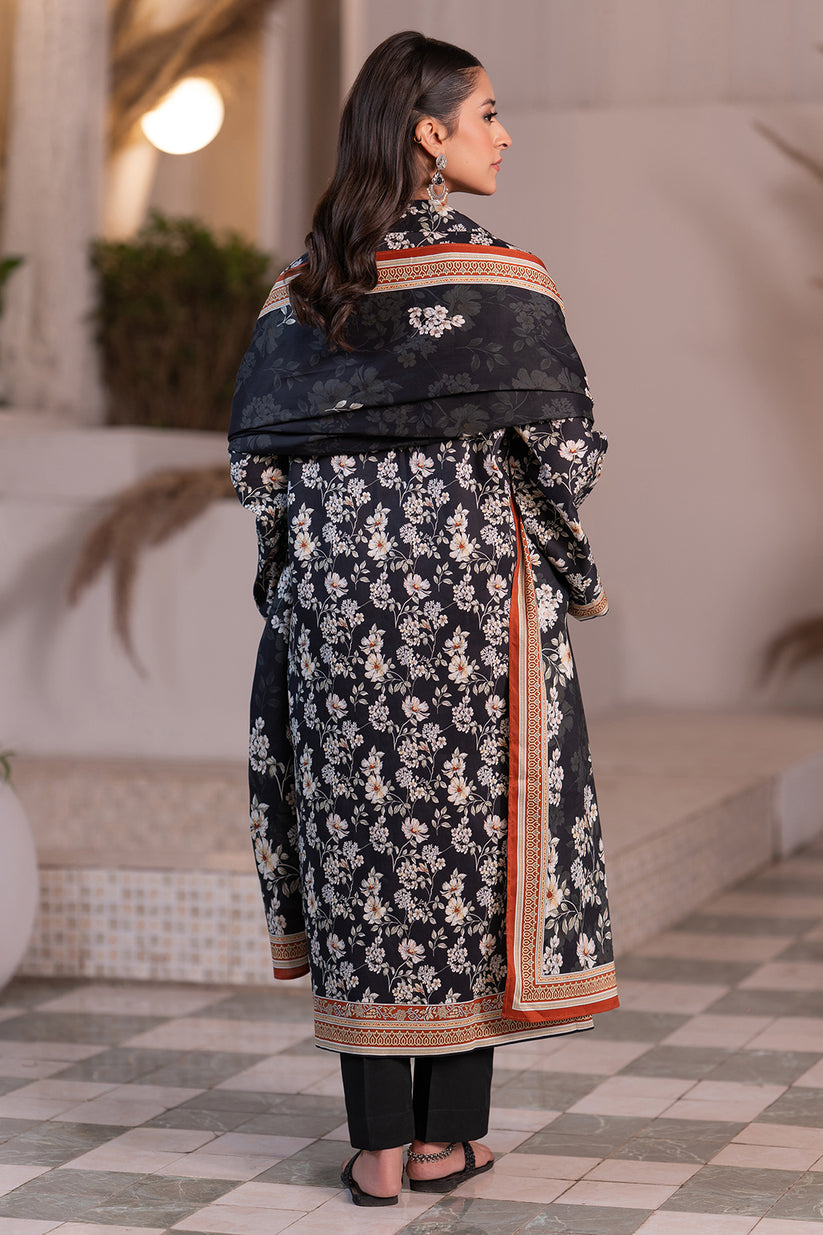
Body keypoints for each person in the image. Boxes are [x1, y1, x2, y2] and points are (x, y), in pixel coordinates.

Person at [228, 30, 618, 1207]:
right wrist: (560, 562)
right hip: (467, 618)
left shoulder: (302, 293)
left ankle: (378, 1145)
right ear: (427, 136)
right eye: (486, 112)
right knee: (466, 849)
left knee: (363, 848)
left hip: (344, 616)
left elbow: (260, 473)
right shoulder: (505, 282)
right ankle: (450, 1133)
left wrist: (342, 553)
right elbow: (566, 453)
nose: (504, 134)